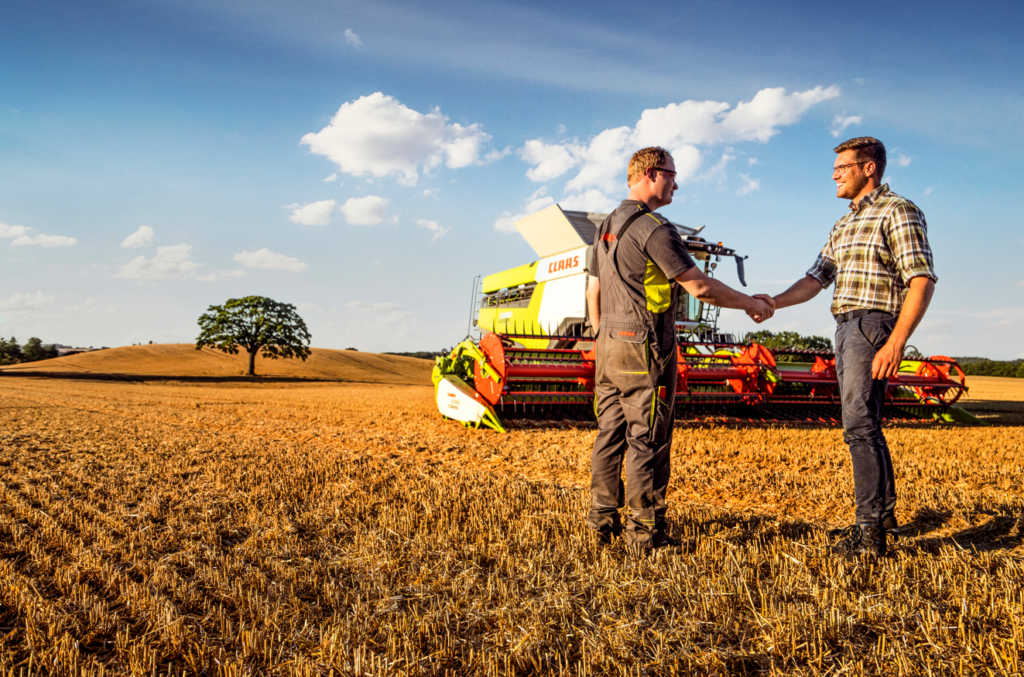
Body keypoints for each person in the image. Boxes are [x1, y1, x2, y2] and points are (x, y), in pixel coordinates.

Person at [585, 146, 774, 555]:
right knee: (648, 440)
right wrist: (752, 304)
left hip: (607, 347)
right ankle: (646, 535)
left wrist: (602, 336)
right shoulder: (656, 228)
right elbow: (699, 286)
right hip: (644, 348)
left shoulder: (604, 228)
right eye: (671, 174)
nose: (676, 183)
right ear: (651, 173)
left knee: (609, 435)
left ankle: (601, 522)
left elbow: (593, 290)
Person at [768, 137, 937, 557]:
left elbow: (921, 278)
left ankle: (869, 534)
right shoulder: (843, 224)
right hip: (845, 327)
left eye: (842, 166)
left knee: (859, 425)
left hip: (875, 324)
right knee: (864, 425)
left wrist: (897, 340)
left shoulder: (898, 210)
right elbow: (815, 278)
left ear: (869, 169)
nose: (834, 174)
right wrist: (772, 302)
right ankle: (882, 521)